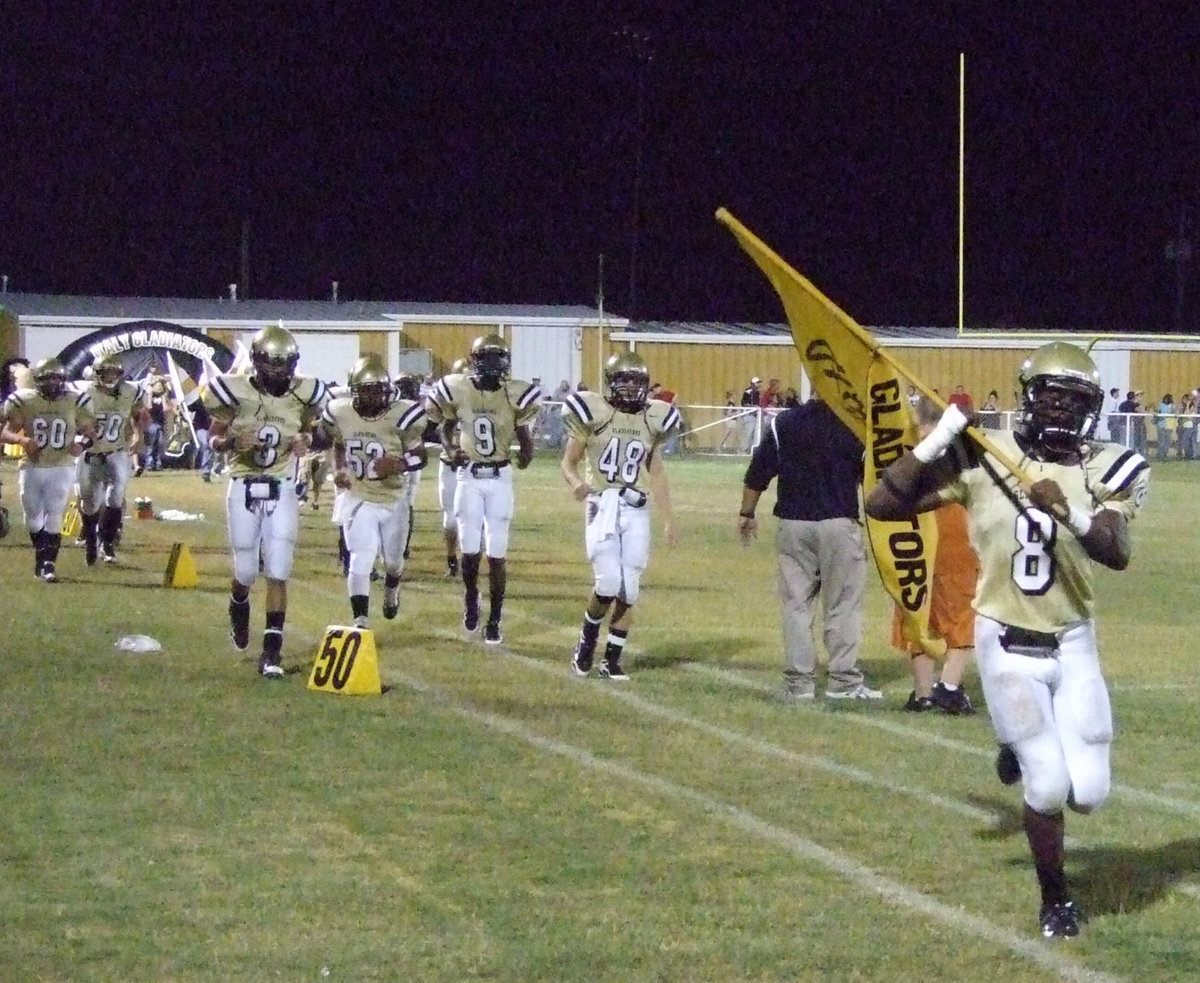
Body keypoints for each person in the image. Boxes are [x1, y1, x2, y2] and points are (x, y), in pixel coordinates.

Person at [865, 341, 1150, 939]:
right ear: (1027, 398)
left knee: (1091, 792)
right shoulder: (984, 456)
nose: (1062, 413)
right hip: (1006, 639)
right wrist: (939, 435)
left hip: (1073, 640)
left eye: (1076, 403)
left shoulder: (1109, 465)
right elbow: (883, 503)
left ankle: (1017, 747)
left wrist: (1070, 513)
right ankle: (1057, 900)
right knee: (1047, 782)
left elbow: (1117, 551)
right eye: (1051, 398)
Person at [737, 391, 881, 701]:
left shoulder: (784, 423)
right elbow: (873, 481)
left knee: (796, 606)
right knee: (842, 604)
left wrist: (747, 512)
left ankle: (799, 683)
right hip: (839, 523)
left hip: (793, 524)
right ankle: (843, 681)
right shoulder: (856, 425)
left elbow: (757, 473)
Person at [203, 324, 328, 678]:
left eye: (285, 363)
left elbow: (311, 429)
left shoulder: (305, 393)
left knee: (278, 568)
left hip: (282, 483)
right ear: (257, 362)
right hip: (243, 482)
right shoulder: (234, 391)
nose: (280, 371)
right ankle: (238, 602)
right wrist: (229, 444)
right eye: (273, 363)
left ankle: (271, 652)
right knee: (245, 570)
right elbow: (213, 437)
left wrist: (306, 440)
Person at [561, 352, 679, 680]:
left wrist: (669, 518)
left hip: (636, 507)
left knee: (630, 589)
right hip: (603, 503)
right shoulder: (595, 412)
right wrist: (576, 484)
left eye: (636, 381)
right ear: (611, 382)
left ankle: (612, 658)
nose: (629, 387)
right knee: (609, 582)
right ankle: (586, 642)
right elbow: (568, 462)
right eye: (623, 380)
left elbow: (656, 472)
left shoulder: (652, 418)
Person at [425, 334, 542, 644]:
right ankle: (471, 597)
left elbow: (525, 437)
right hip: (469, 477)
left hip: (500, 477)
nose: (491, 365)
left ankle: (495, 620)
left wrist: (526, 453)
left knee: (497, 554)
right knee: (471, 551)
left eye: (496, 358)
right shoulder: (459, 389)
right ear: (475, 360)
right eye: (485, 358)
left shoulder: (514, 394)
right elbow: (445, 426)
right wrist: (450, 449)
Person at [318, 355, 428, 627]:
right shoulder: (340, 412)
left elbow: (421, 456)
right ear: (355, 391)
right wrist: (339, 469)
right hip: (359, 496)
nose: (374, 397)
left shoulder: (402, 415)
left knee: (393, 563)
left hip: (394, 500)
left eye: (379, 391)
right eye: (367, 391)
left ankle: (392, 589)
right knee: (360, 557)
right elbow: (338, 444)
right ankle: (361, 620)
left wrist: (400, 463)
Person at [890, 396, 979, 714]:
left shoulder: (902, 447)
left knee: (917, 614)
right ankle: (950, 688)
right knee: (962, 614)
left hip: (910, 535)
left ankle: (923, 693)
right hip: (954, 534)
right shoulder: (957, 447)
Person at [0, 357, 97, 581]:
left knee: (54, 511)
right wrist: (22, 441)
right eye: (48, 378)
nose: (53, 383)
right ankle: (41, 555)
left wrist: (81, 444)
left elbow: (92, 432)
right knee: (32, 517)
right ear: (38, 380)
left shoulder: (75, 400)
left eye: (57, 378)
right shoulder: (24, 400)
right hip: (32, 465)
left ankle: (48, 564)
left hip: (61, 464)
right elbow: (5, 433)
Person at [75, 354, 147, 564]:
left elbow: (138, 414)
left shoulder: (130, 391)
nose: (110, 377)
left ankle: (107, 542)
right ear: (97, 374)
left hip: (117, 450)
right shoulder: (83, 391)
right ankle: (90, 540)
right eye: (106, 373)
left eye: (114, 373)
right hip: (89, 452)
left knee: (116, 496)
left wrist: (138, 435)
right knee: (89, 502)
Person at [435, 357, 468, 578]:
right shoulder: (443, 399)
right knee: (451, 517)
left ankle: (469, 559)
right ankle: (451, 559)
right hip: (449, 463)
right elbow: (438, 426)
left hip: (473, 466)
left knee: (474, 517)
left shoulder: (480, 399)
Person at [740, 376, 762, 451]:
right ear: (753, 384)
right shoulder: (747, 392)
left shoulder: (757, 393)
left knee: (755, 433)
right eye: (757, 383)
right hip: (748, 415)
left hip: (755, 415)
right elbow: (744, 403)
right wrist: (754, 406)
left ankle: (752, 449)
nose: (759, 384)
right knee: (747, 433)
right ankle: (743, 449)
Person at [1154, 393, 1175, 461]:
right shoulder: (1161, 405)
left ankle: (1165, 453)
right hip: (1161, 424)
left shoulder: (1172, 406)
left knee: (1168, 440)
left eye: (1167, 398)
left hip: (1168, 425)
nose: (1166, 400)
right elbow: (1159, 412)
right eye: (1165, 398)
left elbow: (1173, 413)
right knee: (1161, 440)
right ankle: (1160, 454)